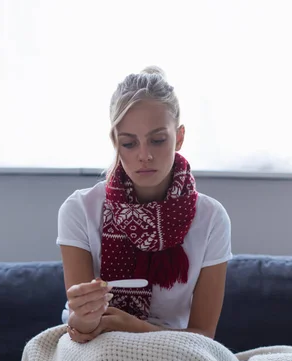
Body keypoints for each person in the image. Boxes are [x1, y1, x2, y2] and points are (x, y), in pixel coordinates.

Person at [56, 66, 232, 344]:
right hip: (94, 347)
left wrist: (134, 327)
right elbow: (79, 331)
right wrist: (86, 319)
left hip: (174, 352)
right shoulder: (79, 209)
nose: (144, 155)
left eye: (158, 140)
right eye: (129, 143)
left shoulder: (211, 218)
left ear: (180, 137)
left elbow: (204, 337)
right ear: (115, 141)